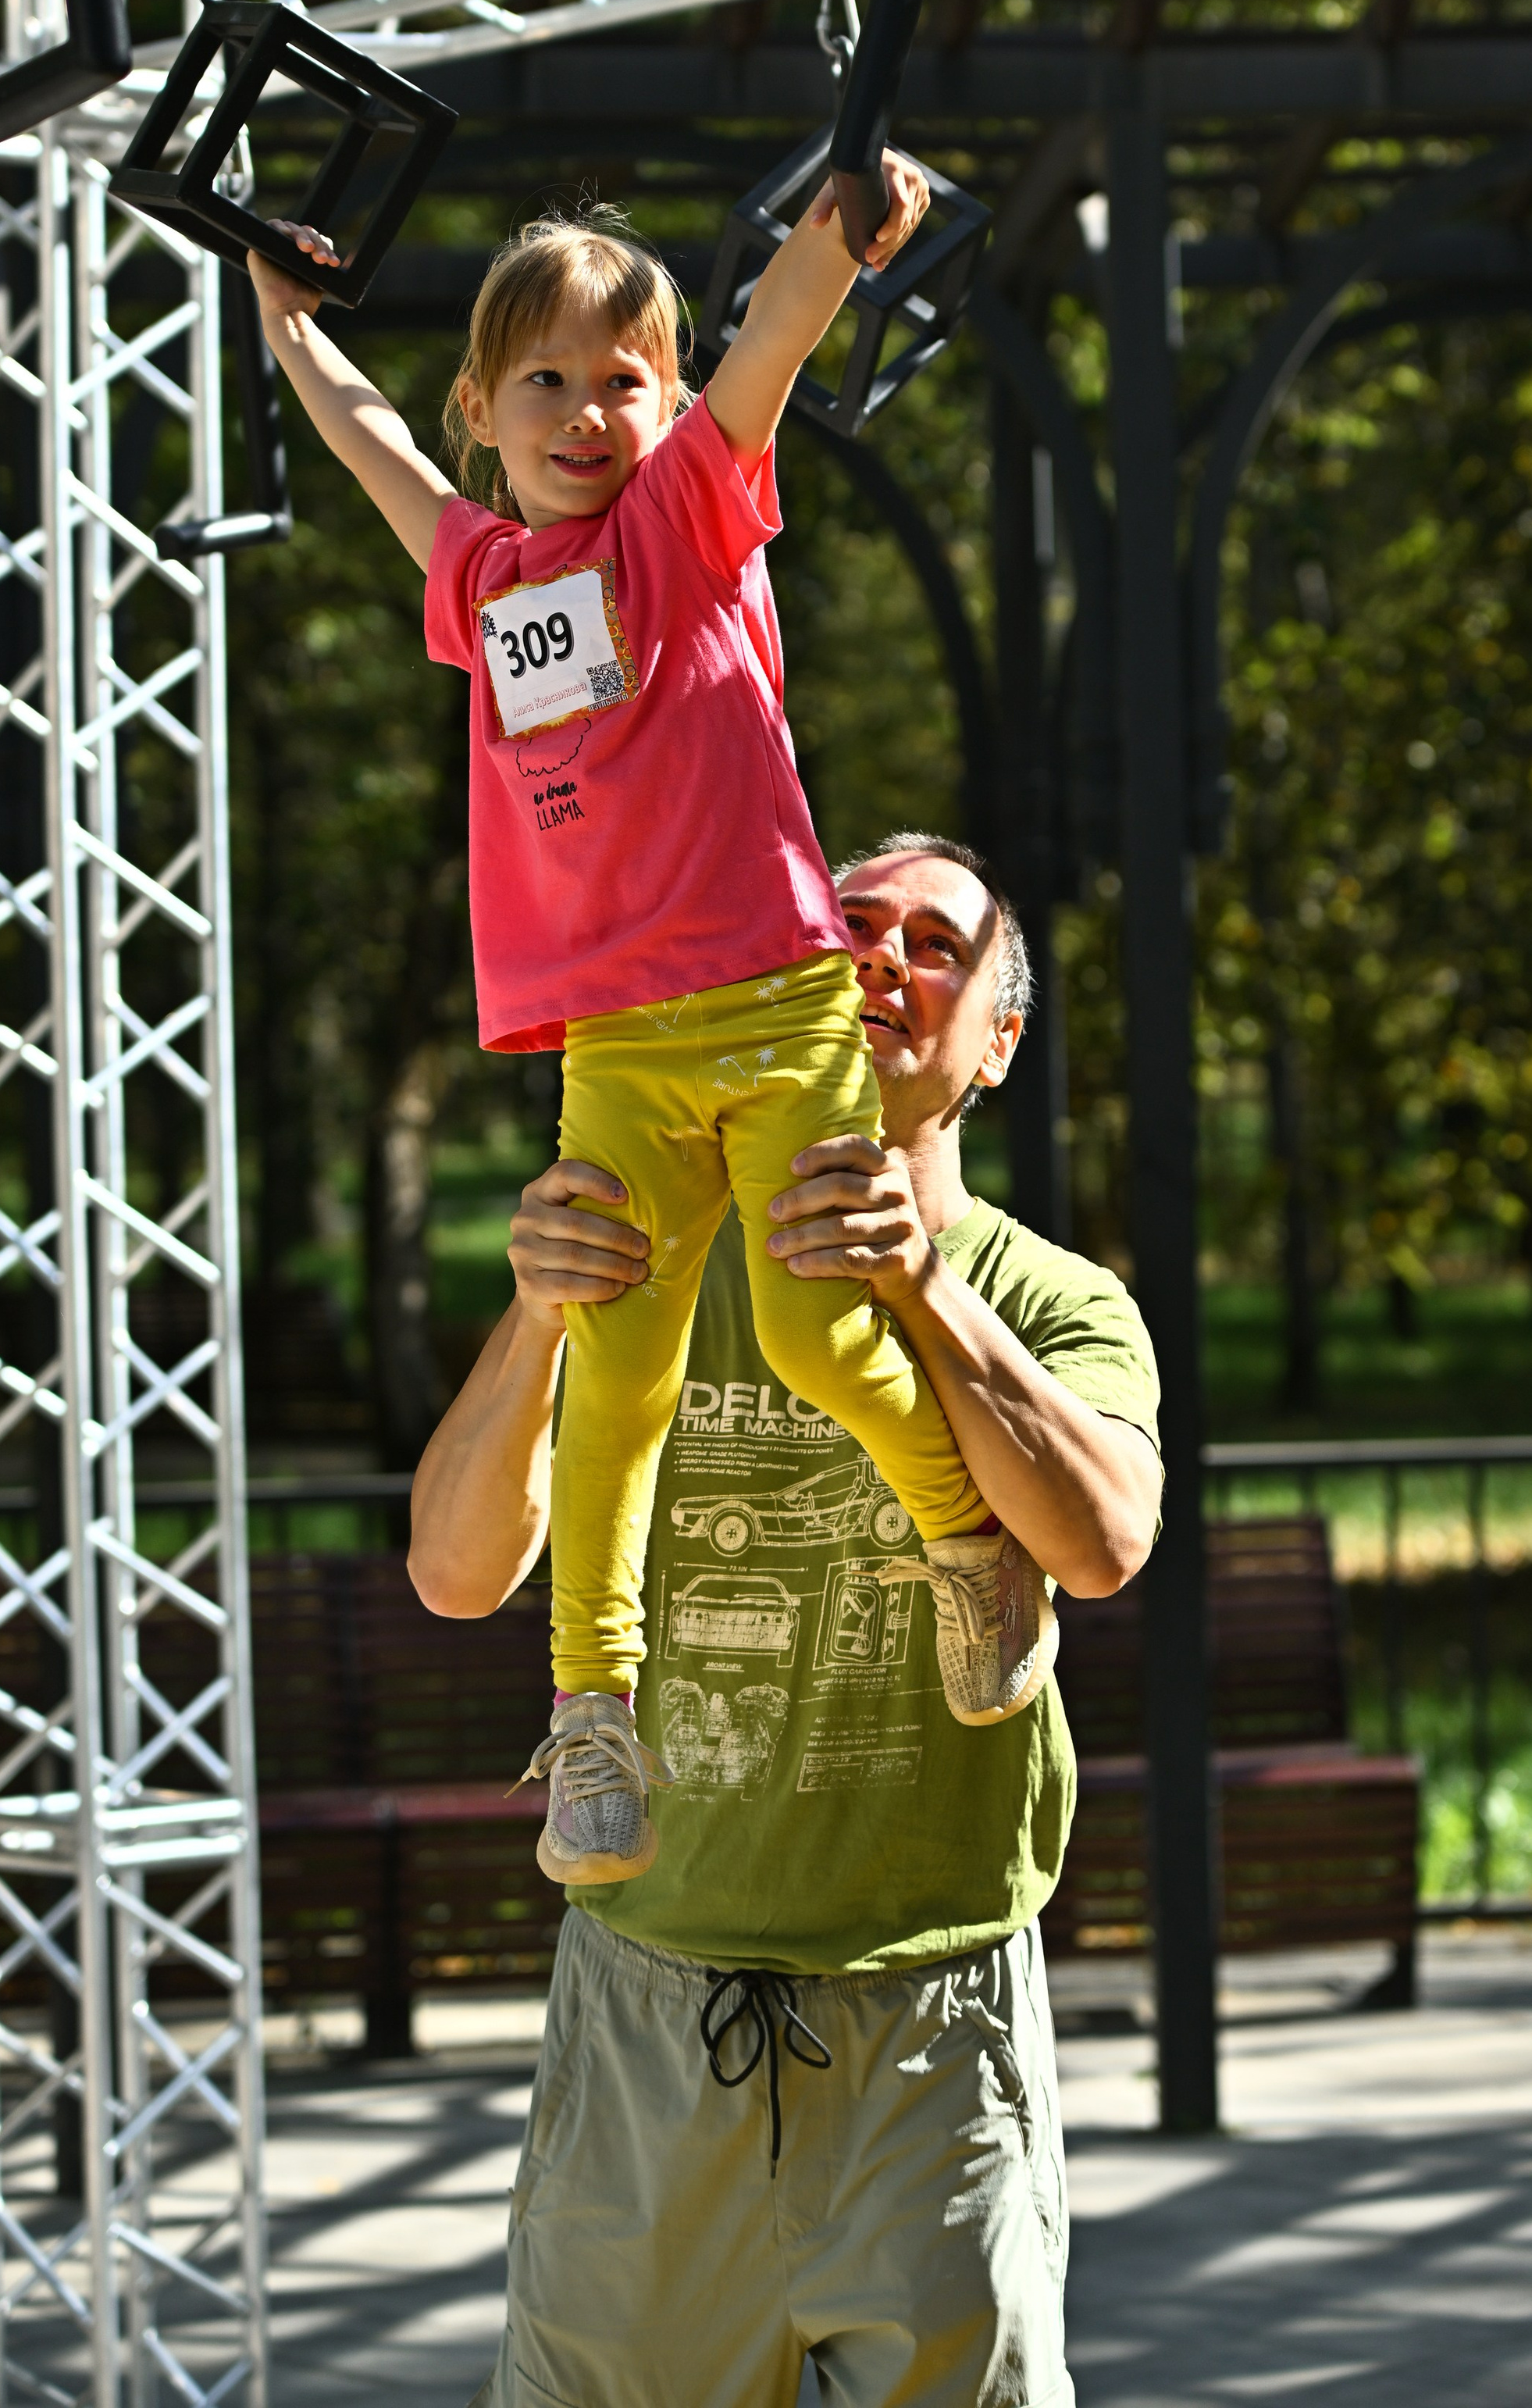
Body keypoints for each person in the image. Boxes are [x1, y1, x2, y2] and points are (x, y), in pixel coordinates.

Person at [248, 187, 1053, 1894]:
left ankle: (968, 1546)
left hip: (774, 1008)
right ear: (484, 411)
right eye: (543, 383)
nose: (584, 413)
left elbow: (771, 344)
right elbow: (374, 447)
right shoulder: (481, 574)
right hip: (616, 1045)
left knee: (821, 1336)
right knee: (617, 1374)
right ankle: (592, 1714)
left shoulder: (686, 512)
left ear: (667, 408)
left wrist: (839, 232)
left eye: (623, 381)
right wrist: (290, 330)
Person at [410, 835, 1162, 2408]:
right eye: (852, 924)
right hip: (650, 2012)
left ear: (997, 1044)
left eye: (936, 946)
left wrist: (922, 1290)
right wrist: (537, 1314)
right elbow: (456, 1572)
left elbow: (1100, 1546)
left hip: (933, 2027)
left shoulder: (1052, 1299)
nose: (883, 957)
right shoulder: (646, 1263)